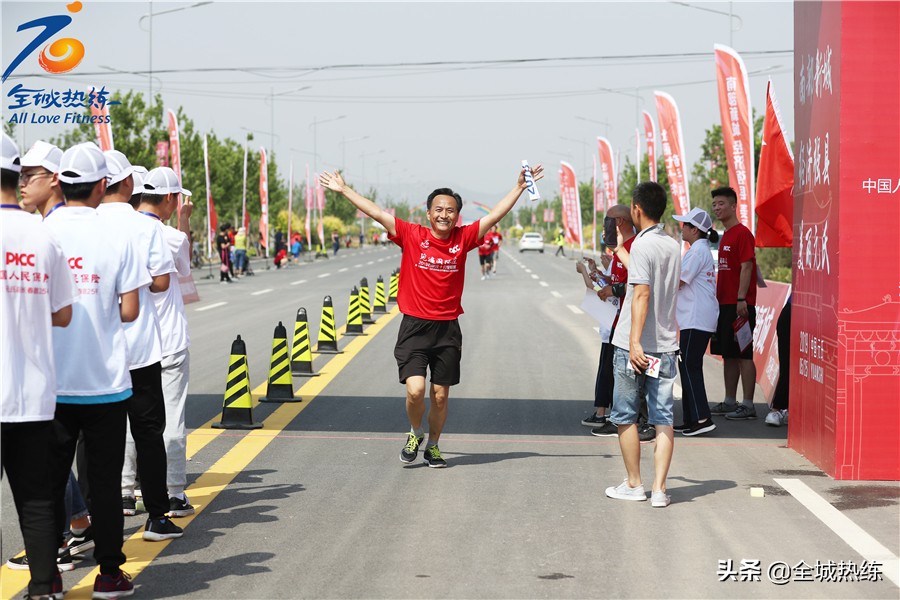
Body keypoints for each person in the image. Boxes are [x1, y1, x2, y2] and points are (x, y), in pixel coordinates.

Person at [319, 164, 544, 468]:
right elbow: (376, 213)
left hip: (447, 329)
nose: (444, 214)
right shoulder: (412, 235)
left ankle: (434, 446)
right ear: (428, 213)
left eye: (450, 210)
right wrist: (343, 189)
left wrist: (519, 187)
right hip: (414, 326)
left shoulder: (463, 239)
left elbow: (494, 216)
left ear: (457, 215)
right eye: (438, 209)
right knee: (416, 391)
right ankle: (415, 432)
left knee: (439, 397)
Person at [43, 142, 143, 597]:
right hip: (105, 382)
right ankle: (108, 575)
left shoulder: (42, 232)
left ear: (60, 183)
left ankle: (49, 576)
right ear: (103, 185)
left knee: (45, 484)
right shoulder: (118, 235)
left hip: (51, 383)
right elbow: (129, 310)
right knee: (104, 484)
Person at [1, 132, 78, 600]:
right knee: (35, 497)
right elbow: (64, 313)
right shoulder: (42, 235)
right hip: (31, 393)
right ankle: (45, 588)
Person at [98, 151, 184, 543]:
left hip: (95, 350)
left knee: (98, 440)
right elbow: (163, 283)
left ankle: (93, 522)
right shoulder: (144, 227)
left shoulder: (84, 223)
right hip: (140, 347)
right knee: (148, 432)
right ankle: (157, 517)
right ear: (129, 184)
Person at [605, 181, 681, 508]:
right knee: (663, 417)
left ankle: (635, 484)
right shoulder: (672, 244)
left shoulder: (643, 246)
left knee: (625, 415)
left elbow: (641, 293)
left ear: (636, 208)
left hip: (633, 346)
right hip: (665, 344)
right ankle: (660, 490)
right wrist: (621, 249)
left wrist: (635, 341)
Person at [137, 167, 196, 519]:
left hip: (135, 341)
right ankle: (174, 492)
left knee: (135, 420)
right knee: (171, 418)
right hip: (169, 341)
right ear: (172, 199)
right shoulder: (170, 236)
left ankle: (127, 491)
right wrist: (185, 222)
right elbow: (184, 267)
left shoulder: (123, 231)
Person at [578, 205, 641, 438]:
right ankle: (620, 418)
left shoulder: (634, 248)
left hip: (630, 320)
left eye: (608, 222)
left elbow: (638, 282)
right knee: (616, 369)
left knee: (626, 372)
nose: (605, 227)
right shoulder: (620, 250)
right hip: (616, 320)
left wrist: (611, 290)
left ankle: (627, 420)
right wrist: (598, 274)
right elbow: (615, 279)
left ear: (620, 222)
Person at [709, 186, 759, 420]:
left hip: (740, 305)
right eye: (714, 205)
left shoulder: (742, 233)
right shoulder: (725, 235)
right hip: (724, 305)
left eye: (721, 203)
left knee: (744, 355)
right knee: (728, 354)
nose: (717, 208)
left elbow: (747, 266)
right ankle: (730, 401)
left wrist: (741, 298)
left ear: (732, 206)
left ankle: (748, 404)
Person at [673, 207, 719, 437]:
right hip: (696, 316)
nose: (682, 229)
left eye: (685, 225)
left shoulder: (697, 252)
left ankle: (702, 417)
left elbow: (679, 281)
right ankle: (692, 419)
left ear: (695, 230)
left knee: (689, 366)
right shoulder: (699, 250)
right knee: (688, 365)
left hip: (696, 317)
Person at [18, 140, 65, 219]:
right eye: (22, 176)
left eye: (29, 175)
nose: (21, 184)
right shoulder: (44, 221)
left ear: (54, 179)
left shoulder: (59, 225)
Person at [766, 293, 791, 426]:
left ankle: (789, 408)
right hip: (792, 312)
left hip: (815, 313)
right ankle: (777, 409)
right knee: (787, 366)